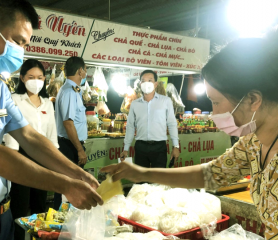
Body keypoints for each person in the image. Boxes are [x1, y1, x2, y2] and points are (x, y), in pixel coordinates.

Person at [0, 0, 102, 239]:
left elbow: (29, 136)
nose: (21, 50)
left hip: (0, 218)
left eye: (25, 44)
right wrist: (65, 185)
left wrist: (76, 173)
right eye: (17, 41)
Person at [102, 35, 278, 239]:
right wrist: (143, 173)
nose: (212, 113)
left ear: (253, 99)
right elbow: (209, 174)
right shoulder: (252, 143)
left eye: (216, 102)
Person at [4, 59, 59, 240]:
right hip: (21, 157)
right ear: (22, 78)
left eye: (40, 77)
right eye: (31, 77)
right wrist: (13, 161)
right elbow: (11, 133)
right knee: (20, 207)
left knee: (39, 206)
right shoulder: (14, 99)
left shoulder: (47, 103)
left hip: (43, 158)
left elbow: (52, 135)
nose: (36, 81)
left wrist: (54, 162)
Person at [120, 70, 180, 168]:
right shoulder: (135, 104)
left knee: (159, 179)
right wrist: (126, 148)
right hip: (140, 147)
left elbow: (172, 124)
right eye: (143, 81)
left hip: (159, 147)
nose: (146, 83)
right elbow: (130, 126)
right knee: (141, 180)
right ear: (140, 84)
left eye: (150, 80)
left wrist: (176, 146)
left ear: (155, 84)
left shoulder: (165, 101)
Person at [54, 56, 88, 209]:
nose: (86, 72)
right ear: (80, 71)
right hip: (69, 146)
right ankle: (61, 220)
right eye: (85, 69)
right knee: (67, 187)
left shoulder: (74, 90)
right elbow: (68, 123)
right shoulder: (69, 91)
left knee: (73, 186)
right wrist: (80, 150)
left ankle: (69, 218)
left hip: (71, 145)